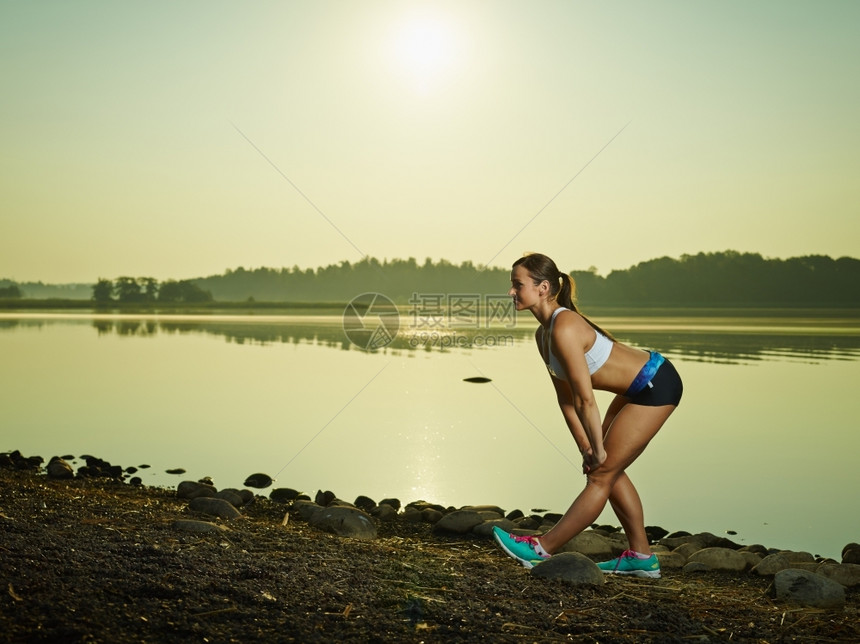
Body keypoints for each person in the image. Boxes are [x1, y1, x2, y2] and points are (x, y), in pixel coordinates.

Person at [492, 253, 683, 578]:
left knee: (600, 474)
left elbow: (585, 399)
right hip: (636, 388)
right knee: (607, 468)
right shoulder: (543, 336)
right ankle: (642, 556)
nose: (511, 292)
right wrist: (586, 448)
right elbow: (565, 400)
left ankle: (541, 549)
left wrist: (597, 448)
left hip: (656, 383)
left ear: (543, 288)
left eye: (517, 284)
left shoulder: (565, 326)